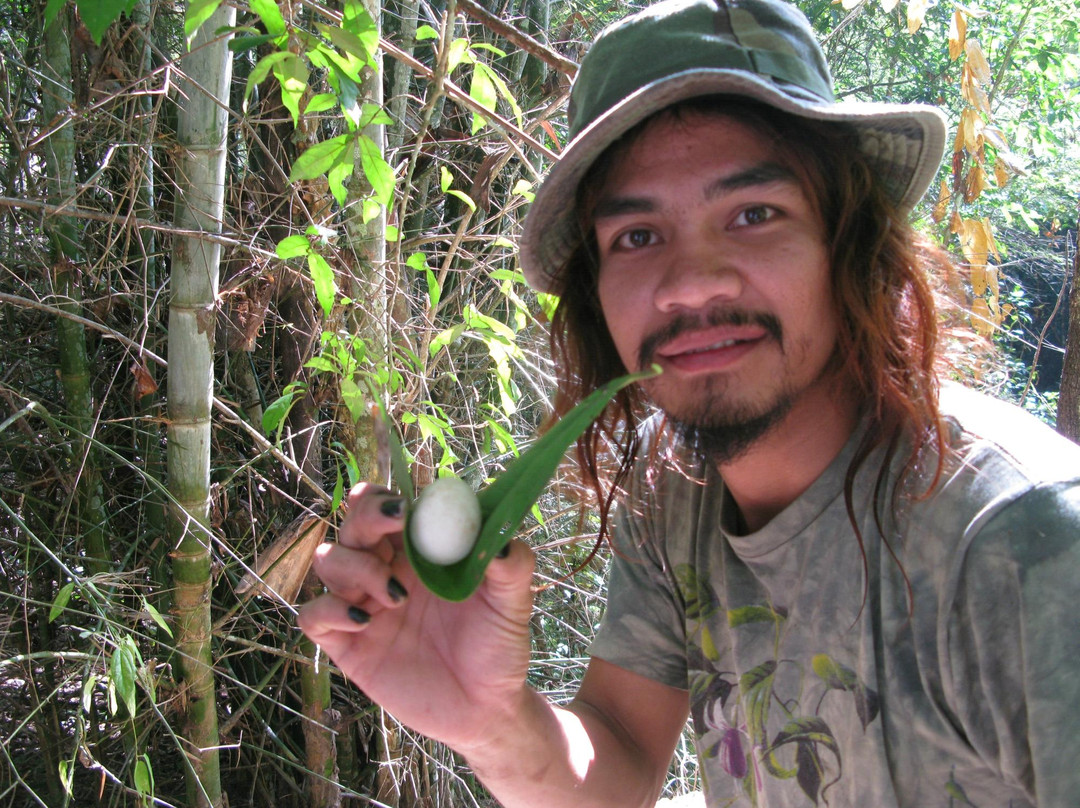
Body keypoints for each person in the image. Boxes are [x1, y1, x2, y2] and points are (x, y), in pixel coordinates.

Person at [298, 0, 1080, 805]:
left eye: (753, 214)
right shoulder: (678, 498)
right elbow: (622, 760)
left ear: (848, 242)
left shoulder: (1027, 546)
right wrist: (494, 725)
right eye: (637, 236)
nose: (691, 283)